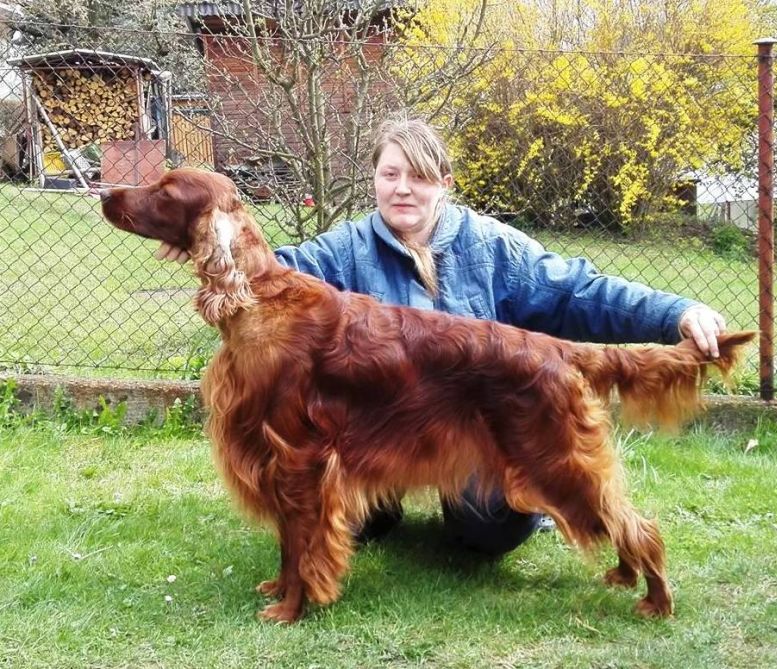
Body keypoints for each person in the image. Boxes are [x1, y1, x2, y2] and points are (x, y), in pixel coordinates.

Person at [155, 118, 727, 557]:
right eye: (390, 174)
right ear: (375, 179)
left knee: (487, 531)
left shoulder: (491, 246)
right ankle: (382, 507)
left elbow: (582, 292)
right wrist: (200, 239)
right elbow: (272, 274)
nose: (403, 190)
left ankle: (477, 504)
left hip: (473, 431)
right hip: (380, 437)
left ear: (444, 184)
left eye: (420, 176)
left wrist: (677, 312)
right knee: (347, 509)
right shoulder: (345, 250)